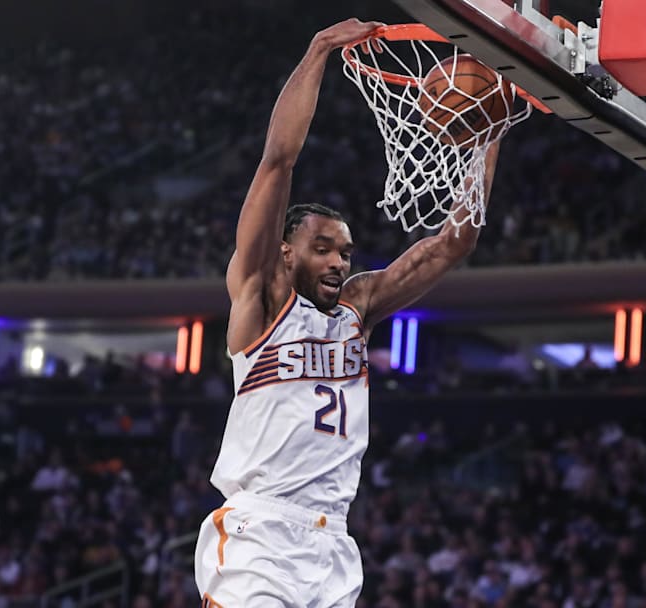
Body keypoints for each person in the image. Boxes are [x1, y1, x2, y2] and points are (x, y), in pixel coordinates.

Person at [194, 18, 508, 607]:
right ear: (286, 252)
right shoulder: (260, 299)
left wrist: (489, 128)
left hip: (333, 544)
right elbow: (277, 163)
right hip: (258, 534)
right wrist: (317, 51)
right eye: (323, 249)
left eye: (345, 251)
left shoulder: (357, 310)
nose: (340, 262)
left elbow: (453, 244)